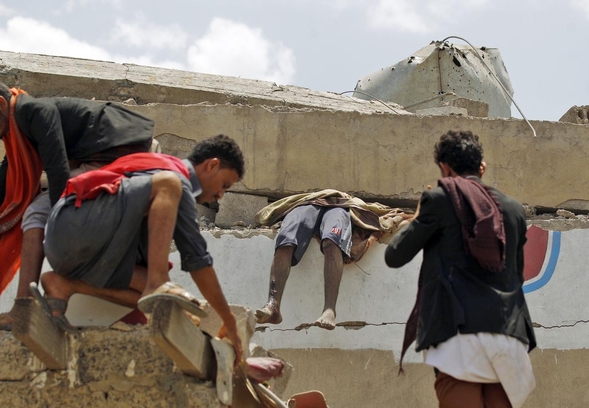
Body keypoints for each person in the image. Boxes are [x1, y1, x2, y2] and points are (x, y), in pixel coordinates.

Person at [384, 130, 536, 408]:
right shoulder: (514, 210)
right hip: (509, 335)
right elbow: (516, 276)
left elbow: (395, 255)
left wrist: (418, 215)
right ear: (481, 168)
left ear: (444, 168)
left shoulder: (439, 199)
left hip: (458, 336)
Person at [38, 134, 243, 361]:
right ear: (212, 165)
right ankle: (158, 284)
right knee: (170, 185)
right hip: (72, 224)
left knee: (164, 302)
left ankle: (65, 285)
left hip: (76, 250)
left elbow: (194, 254)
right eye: (224, 185)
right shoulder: (174, 176)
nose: (221, 195)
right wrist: (229, 320)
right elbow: (197, 258)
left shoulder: (174, 190)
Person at [0, 82, 156, 327]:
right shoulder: (20, 125)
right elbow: (6, 176)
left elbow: (58, 170)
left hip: (117, 155)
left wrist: (63, 225)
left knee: (36, 214)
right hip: (114, 156)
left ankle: (24, 307)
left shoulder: (34, 111)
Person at [254, 188, 405, 330]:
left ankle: (329, 309)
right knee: (286, 240)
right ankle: (273, 306)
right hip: (305, 202)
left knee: (332, 241)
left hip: (340, 203)